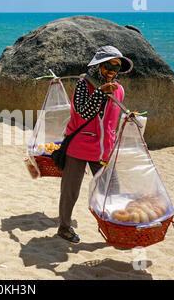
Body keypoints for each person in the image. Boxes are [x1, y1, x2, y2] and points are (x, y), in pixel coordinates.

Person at [57, 45, 133, 243]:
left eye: (116, 68)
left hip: (104, 149)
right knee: (70, 191)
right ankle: (64, 228)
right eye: (108, 66)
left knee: (111, 189)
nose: (111, 71)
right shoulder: (84, 84)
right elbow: (82, 114)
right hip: (79, 146)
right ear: (98, 65)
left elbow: (112, 119)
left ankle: (114, 227)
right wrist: (99, 92)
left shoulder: (119, 90)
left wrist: (130, 117)